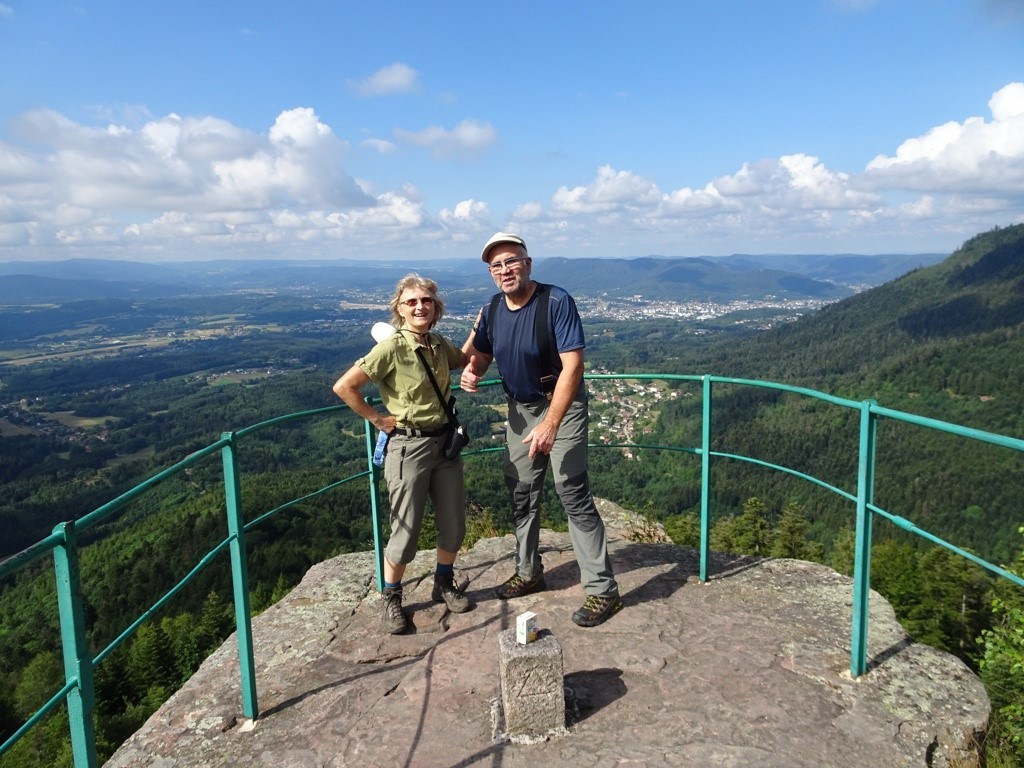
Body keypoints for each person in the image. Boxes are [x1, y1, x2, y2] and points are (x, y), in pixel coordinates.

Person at [460, 232, 622, 627]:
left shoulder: (555, 302)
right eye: (496, 266)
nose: (505, 270)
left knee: (572, 492)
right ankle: (528, 572)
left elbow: (573, 367)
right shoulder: (493, 309)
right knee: (521, 491)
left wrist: (551, 422)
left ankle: (603, 591)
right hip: (520, 409)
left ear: (528, 264)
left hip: (560, 406)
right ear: (490, 273)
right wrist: (471, 372)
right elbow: (478, 356)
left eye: (512, 261)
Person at [333, 274, 473, 634]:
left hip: (444, 444)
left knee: (453, 522)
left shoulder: (439, 345)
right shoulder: (391, 348)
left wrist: (482, 327)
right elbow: (344, 387)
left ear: (435, 307)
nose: (420, 306)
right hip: (408, 446)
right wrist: (377, 419)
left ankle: (444, 583)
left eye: (426, 300)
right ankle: (392, 597)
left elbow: (463, 358)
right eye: (411, 302)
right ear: (399, 308)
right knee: (406, 528)